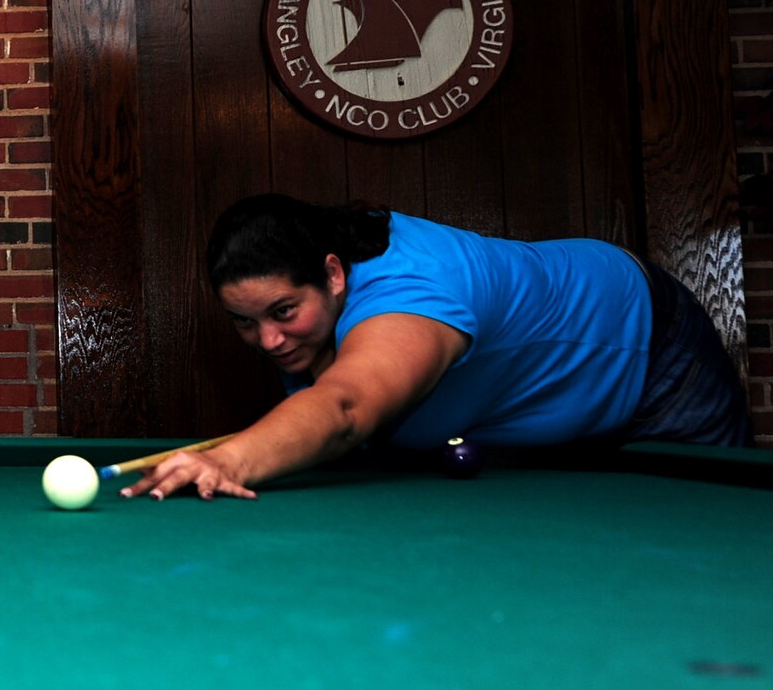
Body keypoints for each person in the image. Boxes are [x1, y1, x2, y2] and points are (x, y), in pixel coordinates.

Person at [124, 194, 753, 501]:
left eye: (284, 312)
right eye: (244, 321)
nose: (267, 340)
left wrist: (232, 459)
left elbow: (344, 409)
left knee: (720, 526)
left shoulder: (410, 296)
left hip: (648, 346)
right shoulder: (314, 317)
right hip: (544, 396)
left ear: (334, 274)